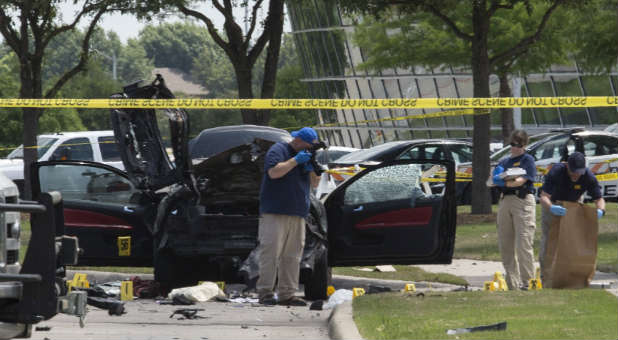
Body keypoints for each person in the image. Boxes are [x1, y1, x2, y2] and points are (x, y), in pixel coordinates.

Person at [257, 127, 321, 306]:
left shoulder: (307, 155)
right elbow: (274, 172)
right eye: (308, 145)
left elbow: (314, 184)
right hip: (275, 211)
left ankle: (287, 294)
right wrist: (295, 161)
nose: (309, 149)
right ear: (298, 141)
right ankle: (265, 293)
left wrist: (312, 168)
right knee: (270, 252)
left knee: (292, 255)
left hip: (298, 212)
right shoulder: (279, 150)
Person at [538, 151, 606, 278]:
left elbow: (599, 199)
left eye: (579, 172)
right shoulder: (556, 171)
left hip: (573, 204)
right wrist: (552, 208)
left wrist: (600, 210)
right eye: (573, 171)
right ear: (567, 166)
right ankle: (545, 275)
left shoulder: (588, 176)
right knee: (549, 240)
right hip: (553, 203)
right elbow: (544, 197)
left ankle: (570, 274)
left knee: (573, 240)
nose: (576, 175)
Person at [492, 130, 537, 290]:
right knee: (506, 244)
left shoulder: (528, 160)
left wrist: (505, 183)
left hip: (522, 200)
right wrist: (497, 178)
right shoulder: (505, 162)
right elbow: (493, 180)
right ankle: (513, 283)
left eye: (518, 145)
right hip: (505, 200)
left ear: (524, 145)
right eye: (512, 144)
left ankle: (529, 282)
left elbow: (521, 181)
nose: (514, 148)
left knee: (523, 243)